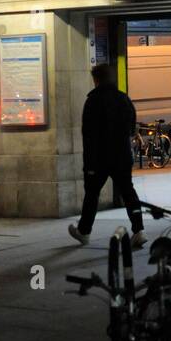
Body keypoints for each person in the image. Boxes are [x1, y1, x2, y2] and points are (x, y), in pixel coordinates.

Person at [69, 62, 145, 246]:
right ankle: (139, 230)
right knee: (128, 192)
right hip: (122, 155)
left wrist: (89, 164)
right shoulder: (123, 99)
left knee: (92, 195)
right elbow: (131, 128)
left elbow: (88, 135)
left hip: (99, 158)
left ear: (96, 80)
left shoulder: (92, 101)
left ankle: (84, 231)